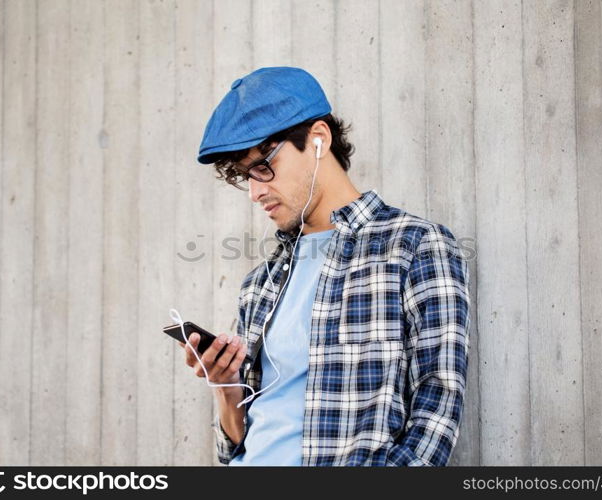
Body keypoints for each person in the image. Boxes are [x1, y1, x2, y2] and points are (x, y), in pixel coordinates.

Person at [180, 66, 471, 466]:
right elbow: (234, 447)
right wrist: (226, 389)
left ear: (318, 139)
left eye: (263, 166)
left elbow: (437, 411)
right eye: (245, 176)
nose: (255, 191)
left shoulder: (414, 247)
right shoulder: (259, 285)